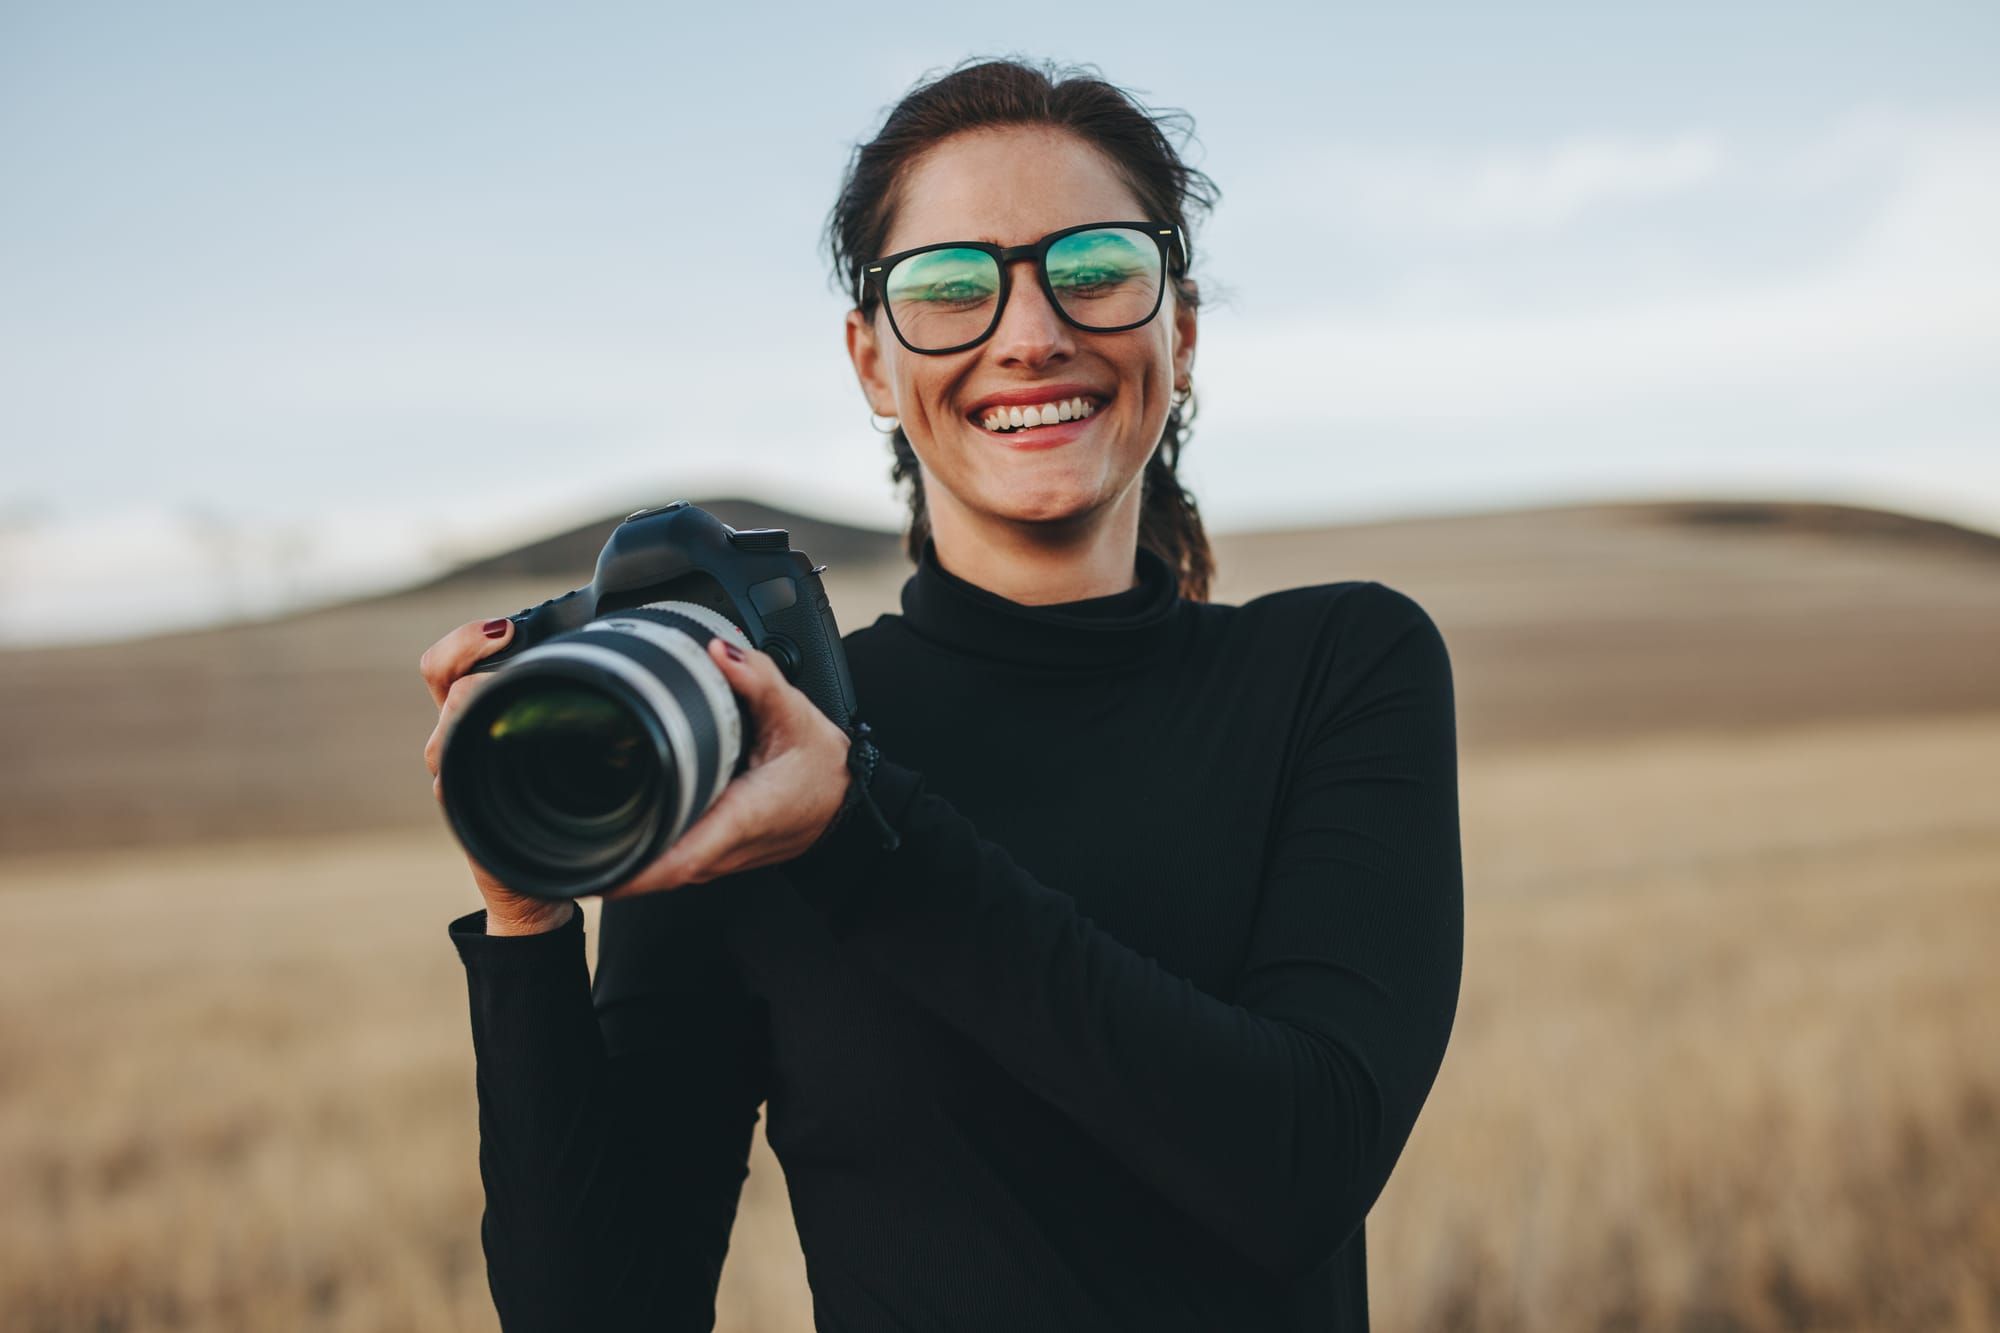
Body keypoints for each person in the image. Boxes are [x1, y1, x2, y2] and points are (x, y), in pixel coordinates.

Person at [419, 56, 1463, 1333]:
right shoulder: (747, 738)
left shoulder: (1337, 668)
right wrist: (525, 907)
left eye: (1091, 270)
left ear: (1177, 332)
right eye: (951, 288)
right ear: (871, 360)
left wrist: (856, 834)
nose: (1028, 333)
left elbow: (1298, 1166)